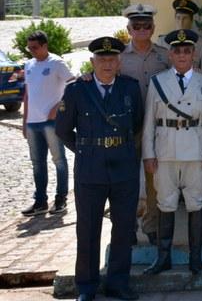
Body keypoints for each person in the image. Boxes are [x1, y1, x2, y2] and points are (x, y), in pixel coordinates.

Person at [55, 37, 143, 301]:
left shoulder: (130, 88)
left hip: (123, 167)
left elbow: (137, 123)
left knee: (124, 228)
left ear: (119, 62)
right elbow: (62, 130)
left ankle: (118, 283)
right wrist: (87, 149)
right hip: (90, 169)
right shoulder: (76, 91)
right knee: (88, 229)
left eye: (112, 59)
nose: (107, 64)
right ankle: (86, 286)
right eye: (102, 59)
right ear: (92, 62)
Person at [141, 29, 202, 276]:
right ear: (170, 54)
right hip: (165, 151)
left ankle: (196, 259)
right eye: (177, 51)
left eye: (187, 51)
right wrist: (148, 154)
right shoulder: (158, 82)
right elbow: (149, 122)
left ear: (194, 54)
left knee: (196, 202)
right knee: (165, 203)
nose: (182, 55)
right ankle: (163, 258)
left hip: (197, 151)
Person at [120, 3, 170, 245]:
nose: (141, 29)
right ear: (129, 29)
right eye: (136, 25)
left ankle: (151, 226)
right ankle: (127, 226)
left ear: (153, 28)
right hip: (129, 127)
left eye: (146, 25)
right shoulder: (119, 57)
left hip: (157, 126)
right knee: (127, 180)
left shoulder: (164, 55)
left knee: (154, 182)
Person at [21, 30, 75, 216]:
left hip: (51, 122)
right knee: (37, 163)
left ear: (45, 45)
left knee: (59, 160)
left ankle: (61, 199)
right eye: (29, 48)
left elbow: (73, 84)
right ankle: (40, 201)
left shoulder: (56, 63)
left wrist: (58, 107)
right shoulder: (29, 64)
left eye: (35, 47)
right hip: (33, 122)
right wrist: (25, 121)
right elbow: (27, 94)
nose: (32, 51)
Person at [158, 0, 202, 73]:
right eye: (178, 18)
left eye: (185, 18)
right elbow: (159, 72)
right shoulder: (162, 42)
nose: (181, 22)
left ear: (191, 21)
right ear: (175, 18)